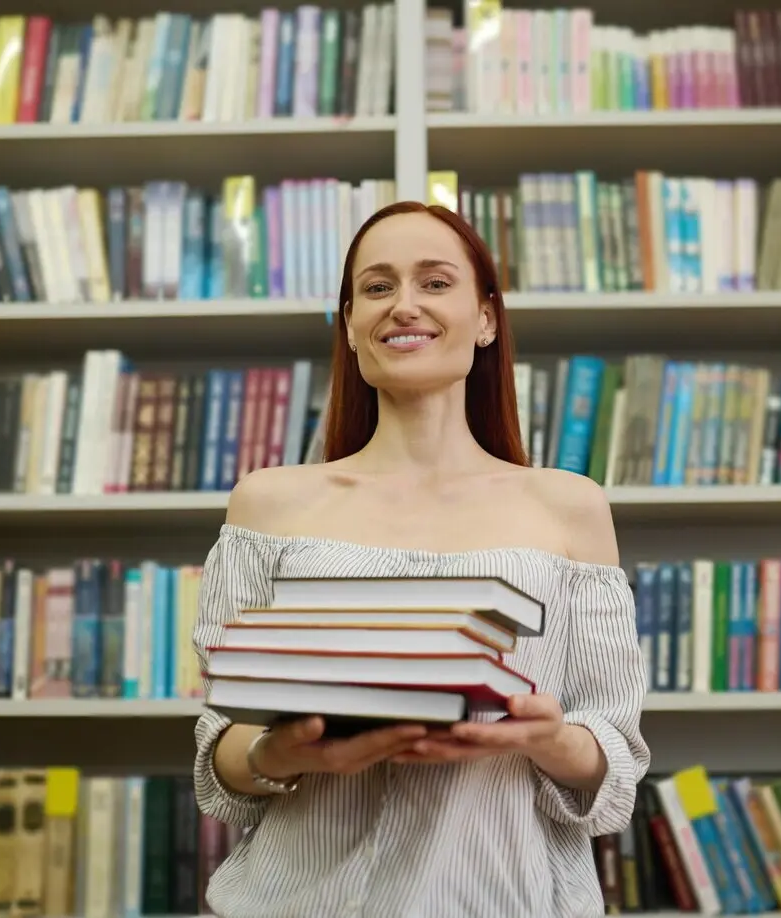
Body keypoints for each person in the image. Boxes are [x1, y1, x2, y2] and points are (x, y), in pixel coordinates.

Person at [191, 201, 651, 917]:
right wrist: (289, 754)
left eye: (435, 283)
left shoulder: (570, 507)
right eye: (377, 288)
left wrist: (551, 738)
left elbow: (615, 763)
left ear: (488, 318)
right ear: (349, 324)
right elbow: (219, 752)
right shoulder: (267, 504)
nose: (404, 304)